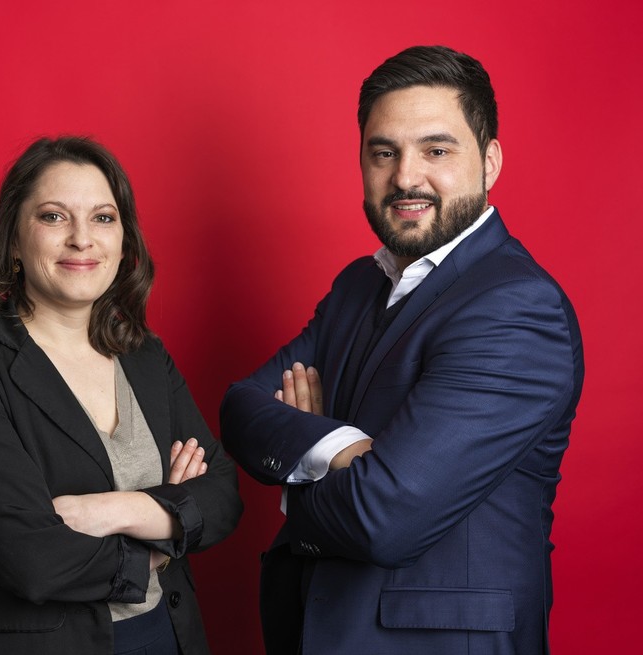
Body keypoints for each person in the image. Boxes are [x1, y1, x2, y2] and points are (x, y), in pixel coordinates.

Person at [220, 45, 583, 654]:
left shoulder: (517, 307)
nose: (406, 177)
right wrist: (340, 448)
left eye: (436, 150)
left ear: (490, 160)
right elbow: (240, 406)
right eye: (383, 153)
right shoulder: (358, 287)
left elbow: (382, 520)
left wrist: (300, 466)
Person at [0, 136, 242, 655]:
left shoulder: (145, 357)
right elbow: (34, 560)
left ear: (123, 238)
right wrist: (167, 531)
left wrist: (115, 510)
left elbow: (223, 494)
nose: (81, 239)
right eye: (53, 217)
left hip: (166, 634)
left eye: (103, 218)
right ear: (14, 239)